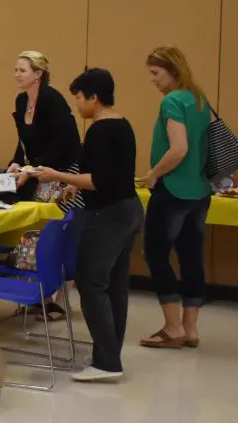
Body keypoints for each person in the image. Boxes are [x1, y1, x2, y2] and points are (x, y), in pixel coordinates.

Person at [35, 68, 141, 382]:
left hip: (109, 215)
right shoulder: (122, 125)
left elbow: (99, 179)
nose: (78, 105)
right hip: (128, 210)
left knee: (91, 282)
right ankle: (108, 353)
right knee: (115, 285)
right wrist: (76, 186)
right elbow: (109, 175)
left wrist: (58, 176)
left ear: (94, 97)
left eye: (79, 98)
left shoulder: (100, 130)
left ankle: (106, 362)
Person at [139, 46, 212, 349]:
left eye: (156, 74)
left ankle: (172, 327)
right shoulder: (198, 99)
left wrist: (154, 173)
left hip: (174, 190)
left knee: (155, 253)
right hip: (200, 190)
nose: (153, 81)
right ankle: (190, 328)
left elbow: (178, 148)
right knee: (191, 256)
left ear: (172, 70)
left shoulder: (172, 101)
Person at [5, 51, 83, 320]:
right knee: (37, 231)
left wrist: (32, 168)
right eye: (15, 70)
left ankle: (60, 300)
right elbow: (24, 141)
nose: (17, 75)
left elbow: (63, 142)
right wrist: (17, 163)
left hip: (63, 171)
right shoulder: (21, 100)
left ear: (38, 74)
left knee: (58, 232)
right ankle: (41, 295)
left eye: (23, 70)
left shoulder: (52, 100)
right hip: (40, 170)